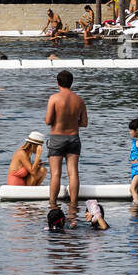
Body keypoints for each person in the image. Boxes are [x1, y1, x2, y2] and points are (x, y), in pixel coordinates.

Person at [44, 69, 88, 211]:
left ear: (58, 83)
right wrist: (72, 122)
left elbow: (48, 120)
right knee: (73, 172)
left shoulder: (54, 98)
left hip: (57, 137)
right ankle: (73, 204)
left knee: (56, 173)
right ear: (71, 83)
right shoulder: (79, 100)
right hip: (74, 137)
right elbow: (84, 123)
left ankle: (53, 204)